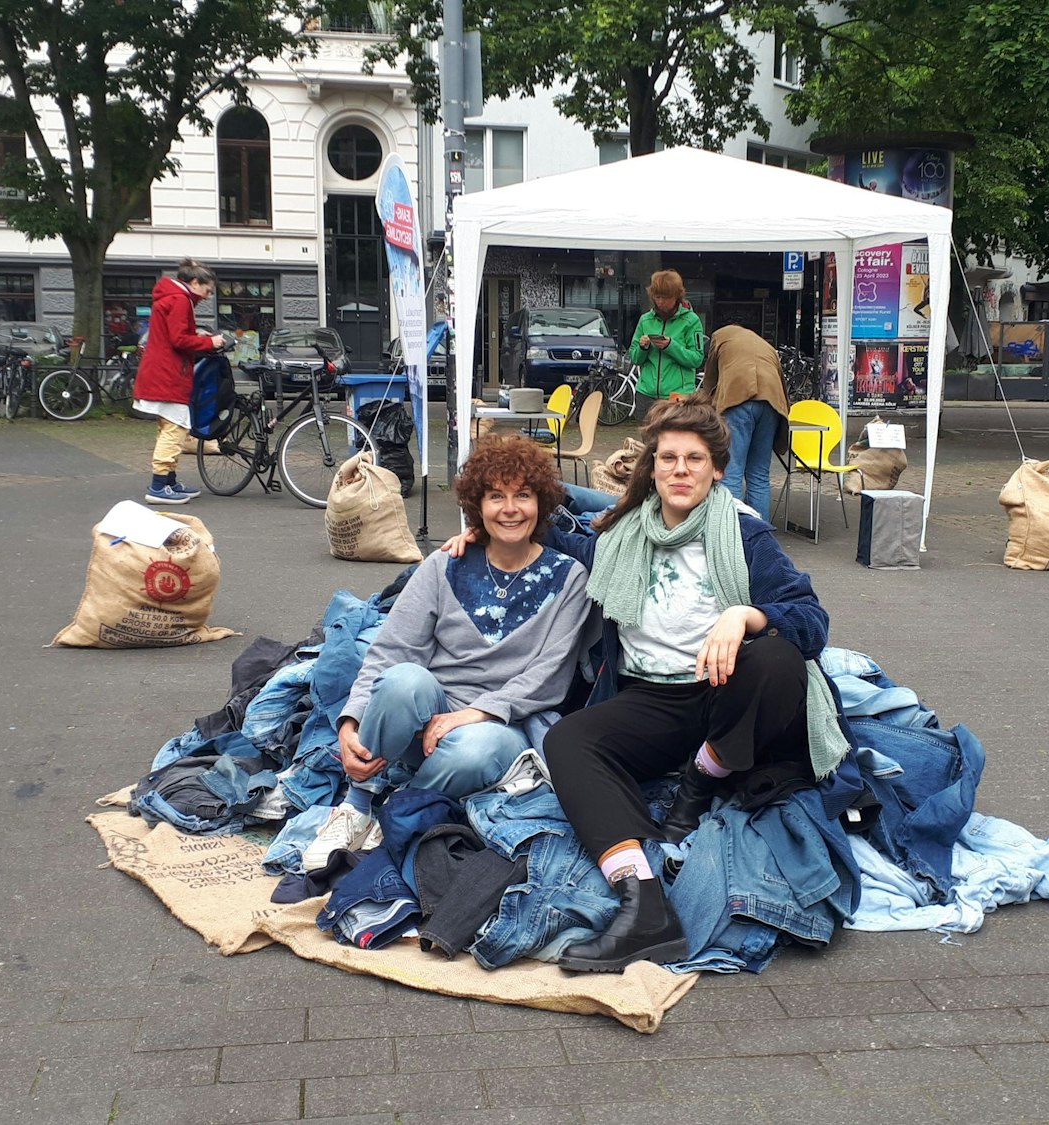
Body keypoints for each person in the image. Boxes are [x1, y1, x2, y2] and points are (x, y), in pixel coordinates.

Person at [484, 400, 844, 973]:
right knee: (567, 741)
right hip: (652, 700)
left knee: (777, 656)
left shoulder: (745, 534)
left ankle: (703, 778)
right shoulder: (623, 538)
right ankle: (643, 904)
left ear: (716, 470)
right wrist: (482, 532)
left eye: (694, 459)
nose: (680, 469)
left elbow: (810, 620)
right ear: (652, 468)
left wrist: (744, 617)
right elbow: (542, 532)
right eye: (669, 458)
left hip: (728, 696)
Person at [305, 436, 598, 872]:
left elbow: (548, 676)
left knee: (475, 751)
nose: (510, 508)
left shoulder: (568, 577)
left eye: (523, 495)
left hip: (498, 727)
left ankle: (397, 810)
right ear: (476, 505)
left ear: (542, 503)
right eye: (496, 496)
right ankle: (356, 805)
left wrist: (474, 714)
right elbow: (391, 650)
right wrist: (351, 722)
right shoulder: (444, 565)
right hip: (422, 722)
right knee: (404, 680)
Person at [132, 259, 225, 505]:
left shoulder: (170, 297)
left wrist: (197, 335)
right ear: (195, 282)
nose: (206, 296)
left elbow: (174, 335)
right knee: (175, 431)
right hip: (168, 377)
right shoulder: (180, 300)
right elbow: (179, 339)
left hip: (159, 374)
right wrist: (209, 343)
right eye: (207, 291)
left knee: (169, 428)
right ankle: (158, 485)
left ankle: (170, 481)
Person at [694, 325, 789, 515]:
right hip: (771, 403)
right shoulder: (765, 345)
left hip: (738, 400)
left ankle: (733, 534)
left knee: (732, 471)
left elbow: (710, 380)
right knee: (759, 474)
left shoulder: (719, 337)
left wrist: (703, 407)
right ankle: (760, 535)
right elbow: (782, 382)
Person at [626, 270, 705, 406]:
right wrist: (642, 348)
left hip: (678, 395)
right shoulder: (645, 320)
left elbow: (696, 359)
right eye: (657, 297)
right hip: (646, 394)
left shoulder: (691, 321)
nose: (661, 302)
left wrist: (670, 346)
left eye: (666, 297)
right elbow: (634, 358)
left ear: (676, 296)